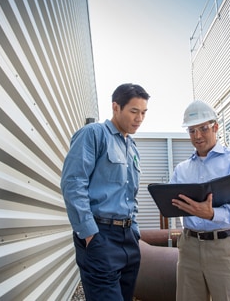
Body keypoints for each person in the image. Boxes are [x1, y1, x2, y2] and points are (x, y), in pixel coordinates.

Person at [60, 83, 150, 301]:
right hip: (100, 235)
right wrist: (90, 235)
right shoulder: (93, 134)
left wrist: (134, 231)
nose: (139, 119)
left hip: (127, 238)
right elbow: (73, 183)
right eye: (134, 111)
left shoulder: (132, 147)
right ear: (116, 107)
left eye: (144, 113)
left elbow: (131, 194)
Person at [170, 100, 230, 301]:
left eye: (203, 128)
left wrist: (211, 214)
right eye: (192, 131)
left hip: (226, 247)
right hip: (189, 248)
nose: (197, 136)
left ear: (215, 127)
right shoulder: (181, 170)